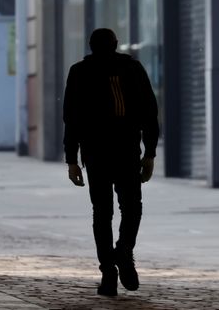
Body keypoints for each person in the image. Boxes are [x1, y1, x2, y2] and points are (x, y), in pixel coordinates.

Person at [63, 28, 160, 297]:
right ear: (116, 44)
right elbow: (149, 112)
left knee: (102, 213)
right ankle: (124, 253)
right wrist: (149, 153)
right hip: (125, 150)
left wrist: (72, 159)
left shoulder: (79, 71)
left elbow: (71, 119)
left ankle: (109, 271)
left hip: (95, 154)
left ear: (90, 46)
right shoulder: (132, 69)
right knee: (131, 208)